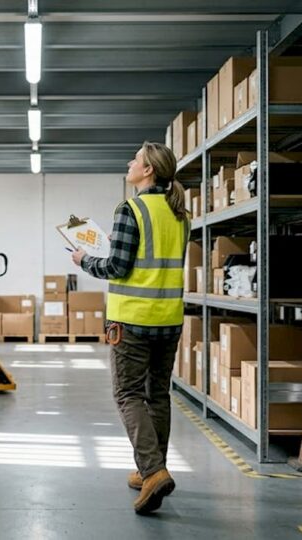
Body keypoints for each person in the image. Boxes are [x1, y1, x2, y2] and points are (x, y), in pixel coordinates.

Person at [72, 141, 188, 515]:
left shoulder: (131, 208)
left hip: (132, 320)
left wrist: (84, 259)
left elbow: (116, 268)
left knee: (128, 395)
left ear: (148, 170)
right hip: (168, 319)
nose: (129, 163)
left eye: (135, 160)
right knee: (158, 395)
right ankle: (152, 467)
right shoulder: (179, 212)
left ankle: (153, 471)